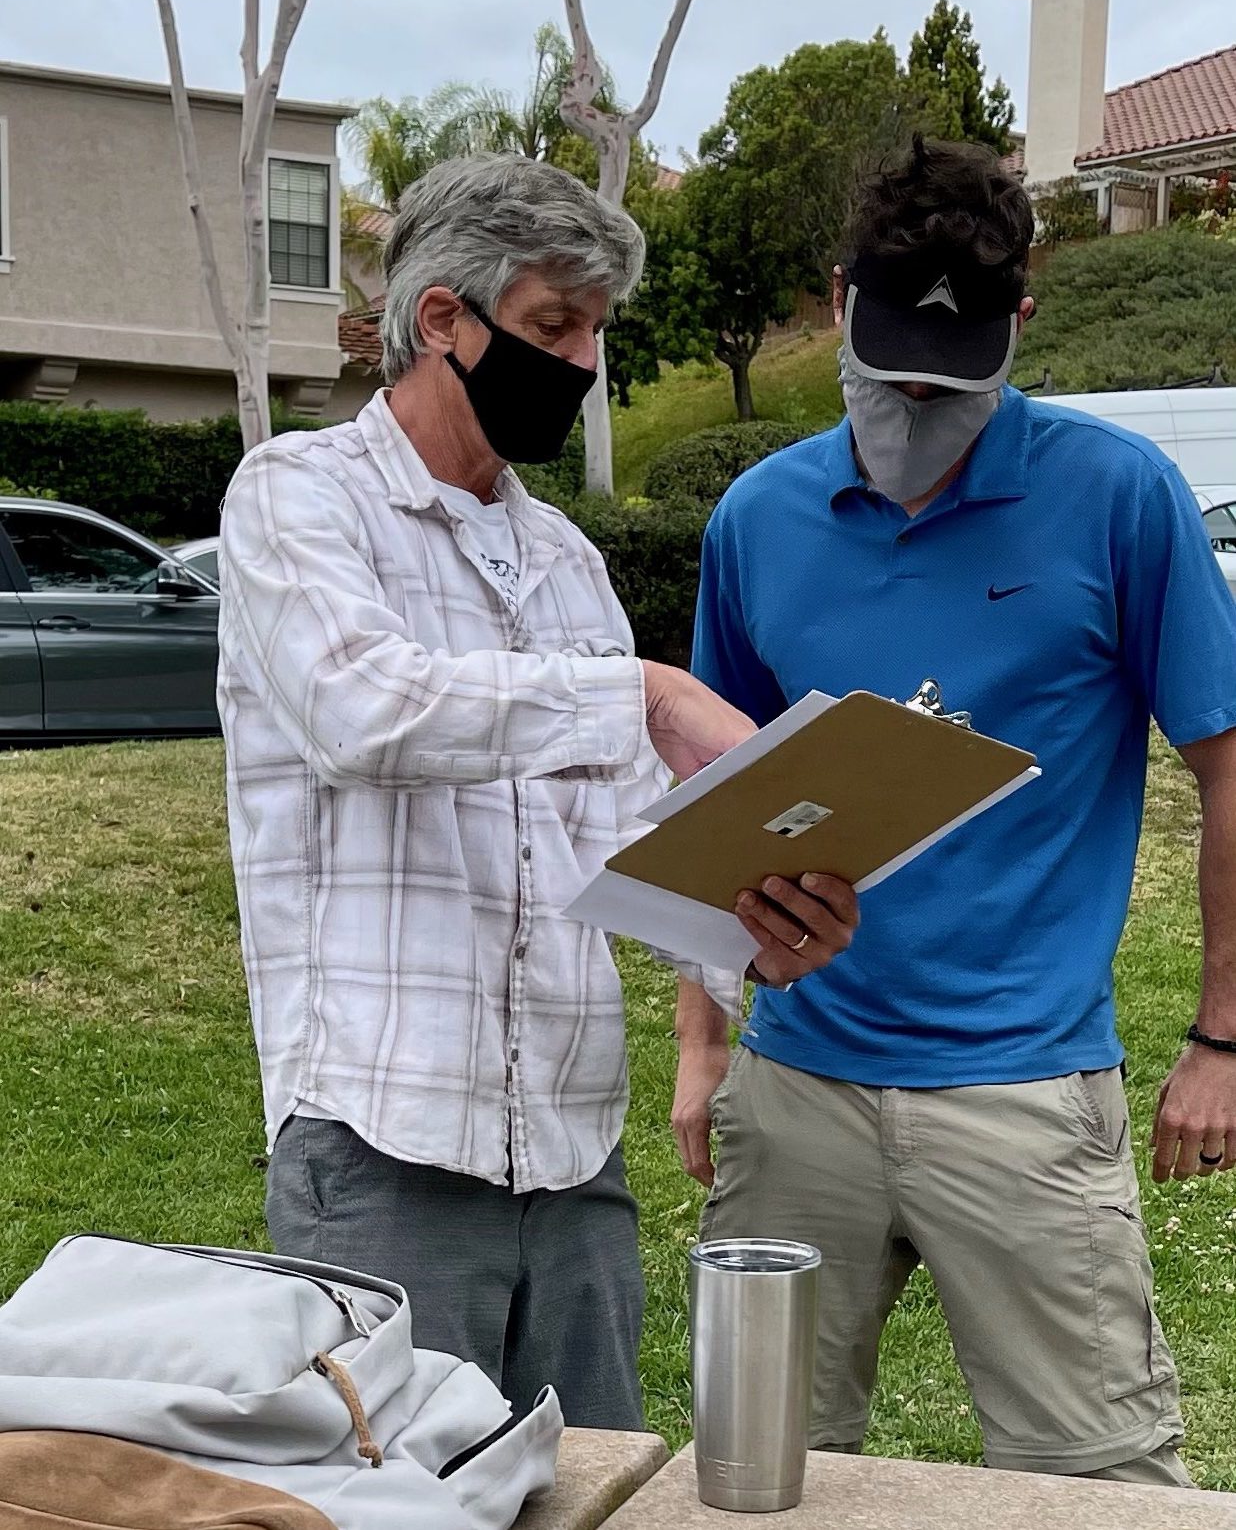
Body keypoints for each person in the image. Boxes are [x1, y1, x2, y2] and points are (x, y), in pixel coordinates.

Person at [216, 154, 849, 1431]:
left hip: (570, 1149)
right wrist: (643, 693)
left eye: (595, 331)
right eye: (554, 324)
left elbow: (613, 834)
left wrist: (755, 925)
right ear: (442, 318)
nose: (579, 362)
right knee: (402, 1511)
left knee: (588, 1490)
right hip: (383, 1140)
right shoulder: (297, 496)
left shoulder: (564, 558)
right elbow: (363, 710)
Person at [672, 135, 1236, 1486]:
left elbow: (1229, 766)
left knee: (1097, 1486)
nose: (914, 400)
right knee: (754, 1471)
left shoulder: (1122, 497)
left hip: (1026, 1087)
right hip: (802, 1079)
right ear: (836, 298)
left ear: (1019, 323)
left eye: (952, 369)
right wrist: (705, 1042)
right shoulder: (759, 516)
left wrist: (1223, 1032)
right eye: (891, 362)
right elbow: (712, 800)